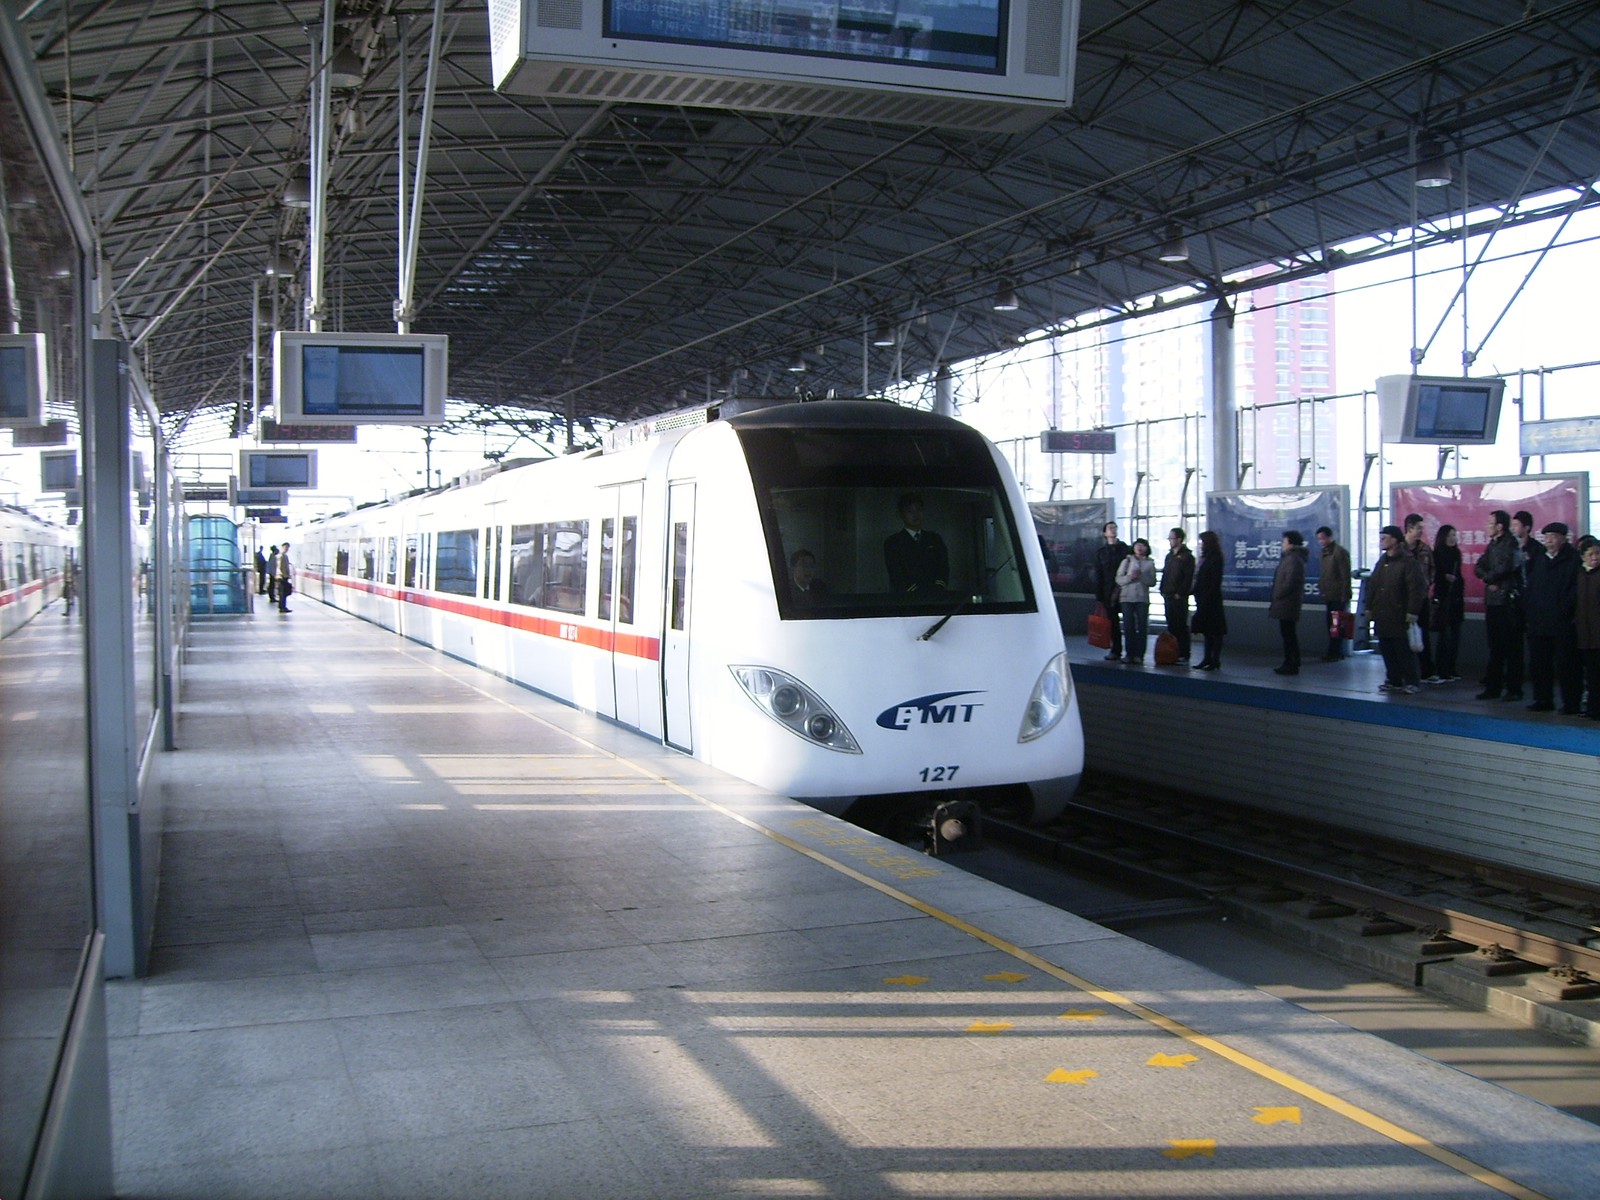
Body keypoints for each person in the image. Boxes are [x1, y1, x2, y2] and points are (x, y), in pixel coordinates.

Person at [1522, 522, 1580, 713]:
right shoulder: (1540, 559)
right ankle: (1543, 700)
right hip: (1538, 622)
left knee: (1567, 666)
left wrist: (1563, 611)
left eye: (1553, 537)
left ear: (1563, 539)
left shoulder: (1573, 559)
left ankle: (1571, 704)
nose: (1549, 541)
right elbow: (1531, 587)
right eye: (1546, 537)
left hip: (1563, 623)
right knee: (1540, 664)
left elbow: (1575, 591)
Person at [1367, 525, 1427, 694]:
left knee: (1403, 650)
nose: (1381, 541)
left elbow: (1416, 589)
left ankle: (1412, 681)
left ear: (1394, 540)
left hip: (1400, 614)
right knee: (1387, 649)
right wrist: (1369, 607)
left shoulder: (1408, 562)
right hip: (1382, 613)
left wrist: (1412, 611)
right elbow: (1373, 586)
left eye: (1384, 538)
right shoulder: (1382, 561)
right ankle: (1394, 680)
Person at [1475, 509, 1523, 701]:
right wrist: (1489, 579)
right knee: (1495, 647)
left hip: (1508, 602)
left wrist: (1490, 578)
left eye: (1490, 523)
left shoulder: (1511, 544)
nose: (1487, 527)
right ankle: (1493, 688)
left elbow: (1507, 567)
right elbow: (1479, 566)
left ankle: (1514, 689)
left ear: (1500, 527)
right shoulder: (1492, 545)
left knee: (1511, 648)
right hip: (1493, 602)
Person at [882, 493, 948, 596]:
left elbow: (943, 567)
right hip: (907, 597)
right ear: (901, 514)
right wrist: (914, 592)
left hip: (936, 595)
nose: (915, 515)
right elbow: (896, 573)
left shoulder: (935, 539)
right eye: (910, 511)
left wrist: (938, 588)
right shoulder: (893, 542)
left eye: (919, 510)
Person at [1429, 524, 1465, 683]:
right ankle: (1441, 669)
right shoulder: (1436, 554)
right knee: (1445, 635)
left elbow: (1460, 576)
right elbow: (1433, 576)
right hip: (1443, 598)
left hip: (1456, 598)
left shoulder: (1457, 553)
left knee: (1456, 635)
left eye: (1454, 535)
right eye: (1449, 535)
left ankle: (1451, 668)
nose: (1453, 538)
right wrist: (1444, 577)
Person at [1268, 529, 1308, 675]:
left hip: (1287, 602)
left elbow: (1290, 582)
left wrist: (1277, 595)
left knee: (1288, 634)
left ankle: (1291, 663)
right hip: (1286, 602)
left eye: (1284, 542)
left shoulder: (1293, 559)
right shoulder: (1291, 558)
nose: (1282, 544)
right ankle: (1292, 661)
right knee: (1288, 634)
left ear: (1291, 544)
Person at [1403, 513, 1437, 682]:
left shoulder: (1425, 549)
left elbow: (1432, 569)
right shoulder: (1400, 549)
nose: (1421, 532)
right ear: (1409, 528)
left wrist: (1427, 583)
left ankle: (1427, 671)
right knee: (1403, 636)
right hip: (1403, 599)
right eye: (1418, 528)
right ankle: (1405, 672)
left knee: (1423, 633)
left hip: (1422, 598)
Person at [1093, 521, 1132, 662]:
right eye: (1110, 528)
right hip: (1108, 591)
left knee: (1129, 622)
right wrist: (1099, 595)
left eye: (1115, 527)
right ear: (1105, 533)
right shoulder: (1101, 553)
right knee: (1113, 622)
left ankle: (1131, 652)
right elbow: (1099, 574)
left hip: (1125, 589)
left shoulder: (1126, 549)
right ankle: (1116, 650)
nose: (1113, 530)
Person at [1114, 537, 1156, 665]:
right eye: (1137, 545)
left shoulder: (1150, 563)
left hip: (1142, 598)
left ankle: (1139, 655)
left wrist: (1141, 576)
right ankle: (1129, 653)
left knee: (1142, 627)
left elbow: (1152, 581)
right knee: (1128, 627)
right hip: (1126, 598)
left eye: (1142, 545)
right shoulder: (1126, 561)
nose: (1139, 548)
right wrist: (1130, 577)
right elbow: (1118, 579)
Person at [1190, 530, 1227, 671]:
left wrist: (1206, 596)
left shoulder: (1216, 558)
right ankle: (1207, 658)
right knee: (1207, 631)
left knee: (1215, 631)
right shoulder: (1205, 557)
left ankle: (1215, 659)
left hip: (1212, 599)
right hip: (1202, 598)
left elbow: (1214, 581)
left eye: (1202, 542)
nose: (1201, 545)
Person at [1159, 528, 1195, 666]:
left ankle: (1184, 653)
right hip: (1168, 594)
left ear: (1179, 539)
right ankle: (1173, 652)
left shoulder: (1187, 557)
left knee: (1181, 625)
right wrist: (1162, 589)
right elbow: (1165, 574)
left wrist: (1180, 593)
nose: (1170, 541)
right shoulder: (1169, 556)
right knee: (1171, 625)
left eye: (1172, 538)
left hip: (1179, 596)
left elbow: (1188, 577)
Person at [1315, 525, 1351, 661]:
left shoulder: (1339, 553)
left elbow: (1345, 576)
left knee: (1337, 625)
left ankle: (1335, 652)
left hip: (1338, 596)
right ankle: (1334, 652)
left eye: (1323, 538)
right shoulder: (1324, 553)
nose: (1321, 541)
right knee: (1331, 625)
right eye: (1319, 539)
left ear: (1330, 537)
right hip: (1328, 595)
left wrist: (1344, 595)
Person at [1577, 539, 1600, 721]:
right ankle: (1592, 707)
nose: (1595, 557)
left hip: (1598, 633)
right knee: (1590, 674)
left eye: (1597, 554)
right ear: (1582, 556)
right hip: (1584, 634)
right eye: (1590, 554)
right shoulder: (1578, 575)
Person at [275, 541, 293, 613]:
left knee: (283, 592)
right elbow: (281, 567)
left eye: (288, 547)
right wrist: (285, 575)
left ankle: (282, 606)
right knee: (283, 593)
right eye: (286, 547)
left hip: (282, 576)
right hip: (282, 577)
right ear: (282, 547)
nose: (287, 549)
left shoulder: (283, 555)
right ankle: (282, 607)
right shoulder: (282, 556)